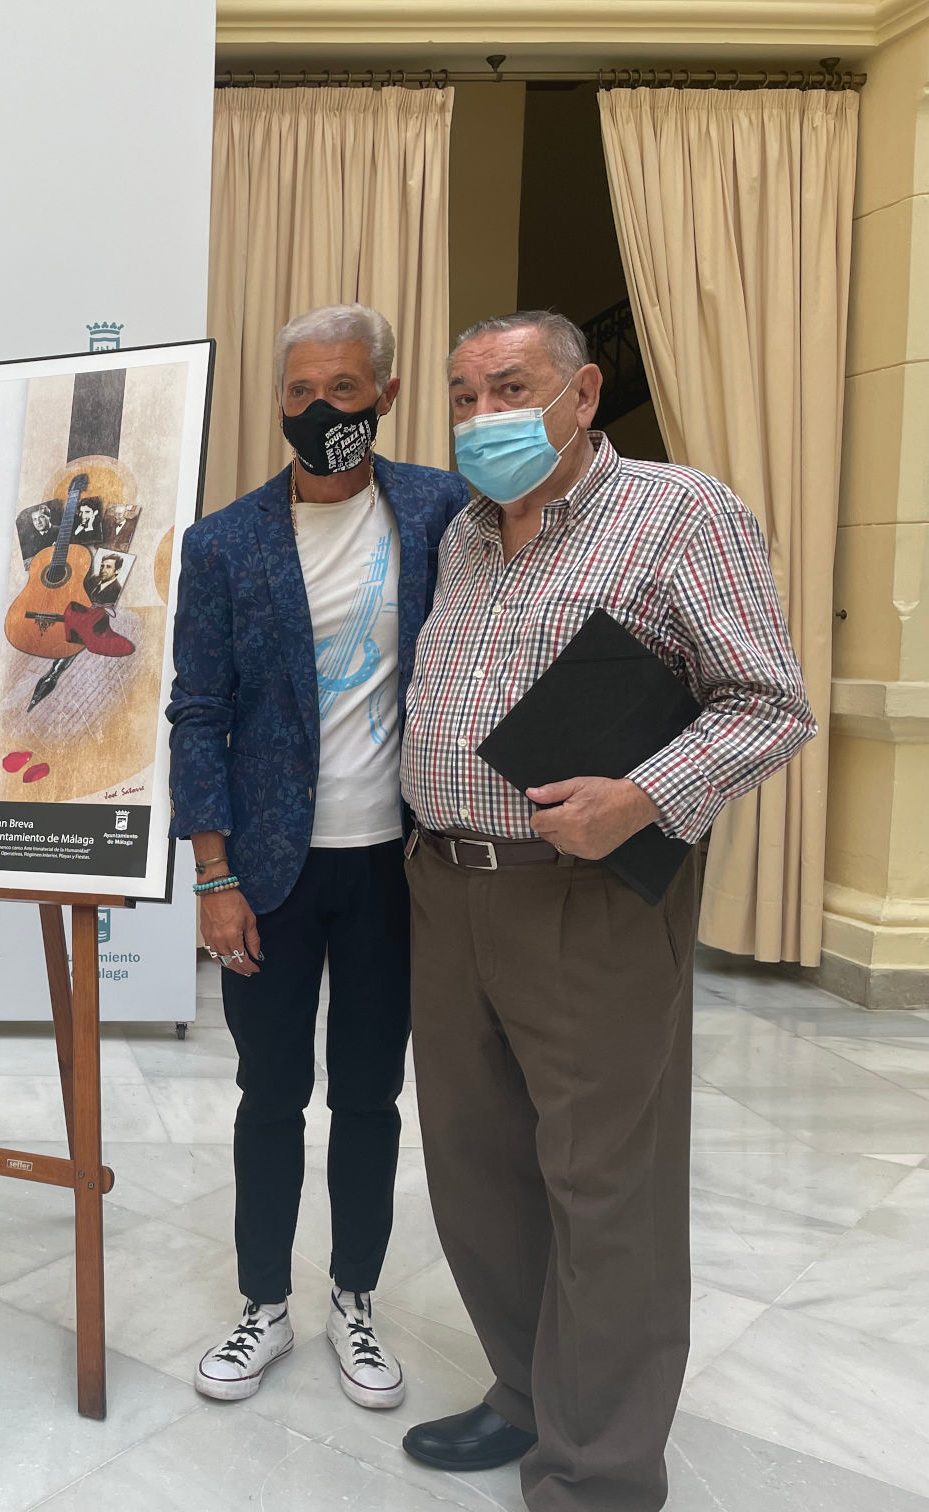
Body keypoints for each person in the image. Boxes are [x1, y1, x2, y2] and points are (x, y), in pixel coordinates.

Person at [399, 311, 813, 1509]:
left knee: (603, 1184)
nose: (484, 418)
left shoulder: (683, 513)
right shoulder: (462, 541)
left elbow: (769, 702)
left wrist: (643, 795)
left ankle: (603, 1468)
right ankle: (528, 1397)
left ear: (582, 396)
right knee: (478, 1171)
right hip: (447, 886)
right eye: (464, 395)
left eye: (511, 388)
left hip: (585, 901)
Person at [167, 304, 468, 1408]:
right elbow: (196, 714)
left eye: (342, 390)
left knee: (372, 1096)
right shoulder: (224, 541)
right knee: (269, 1092)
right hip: (270, 873)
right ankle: (261, 1306)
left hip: (397, 865)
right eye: (299, 393)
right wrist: (213, 875)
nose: (319, 411)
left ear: (384, 395)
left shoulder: (444, 512)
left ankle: (354, 1300)